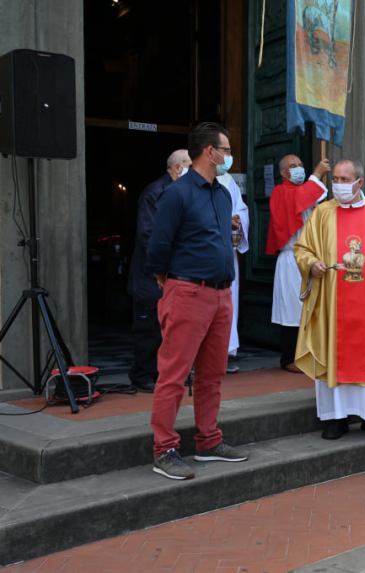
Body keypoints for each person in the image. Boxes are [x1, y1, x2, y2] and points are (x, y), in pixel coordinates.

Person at [146, 122, 248, 480]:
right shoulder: (178, 193)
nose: (229, 156)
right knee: (174, 374)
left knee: (212, 374)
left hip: (221, 294)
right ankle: (165, 448)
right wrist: (170, 280)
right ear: (210, 151)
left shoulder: (221, 194)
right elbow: (157, 247)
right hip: (188, 292)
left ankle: (208, 440)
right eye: (226, 149)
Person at [294, 159, 365, 439]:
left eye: (346, 180)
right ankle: (336, 418)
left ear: (359, 182)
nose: (339, 185)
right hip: (334, 302)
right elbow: (303, 249)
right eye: (336, 178)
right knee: (335, 350)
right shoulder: (322, 213)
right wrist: (313, 264)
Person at [127, 149, 191, 393]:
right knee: (149, 329)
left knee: (174, 329)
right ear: (177, 168)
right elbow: (148, 236)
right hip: (151, 276)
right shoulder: (155, 193)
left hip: (177, 275)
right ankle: (143, 374)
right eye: (188, 165)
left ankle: (169, 373)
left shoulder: (185, 193)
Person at [266, 154, 329, 372]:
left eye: (301, 165)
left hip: (313, 258)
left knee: (312, 308)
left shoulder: (305, 192)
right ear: (284, 172)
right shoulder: (280, 192)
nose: (298, 169)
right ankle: (289, 358)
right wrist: (317, 175)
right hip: (293, 257)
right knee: (294, 310)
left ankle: (311, 353)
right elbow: (297, 202)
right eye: (293, 166)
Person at [217, 172, 249, 373]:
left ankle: (223, 354)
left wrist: (237, 219)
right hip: (204, 254)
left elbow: (242, 210)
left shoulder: (229, 181)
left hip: (227, 252)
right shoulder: (191, 179)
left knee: (228, 303)